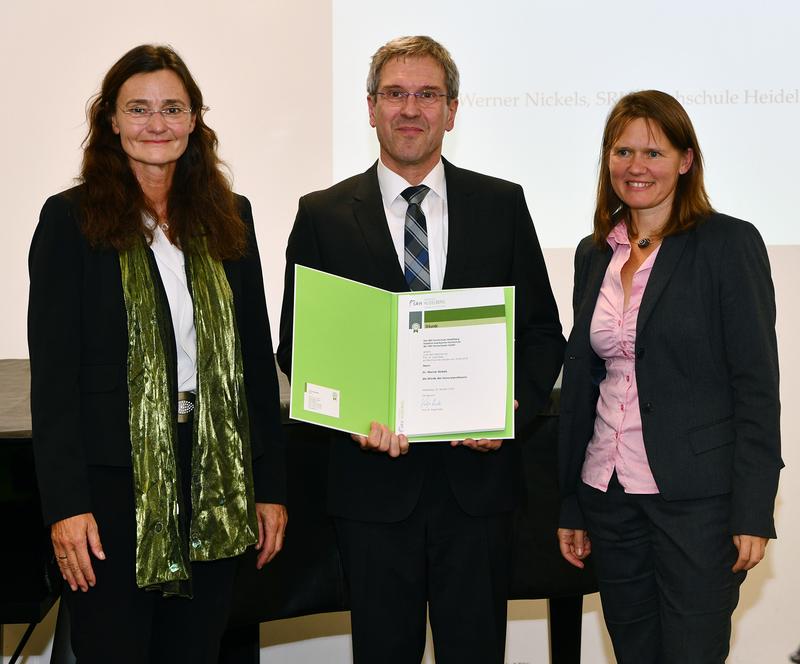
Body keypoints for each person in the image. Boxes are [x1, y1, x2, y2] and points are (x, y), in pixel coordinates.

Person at [277, 35, 564, 664]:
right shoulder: (322, 214)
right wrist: (352, 417)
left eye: (427, 94)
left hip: (478, 490)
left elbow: (543, 333)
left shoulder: (501, 204)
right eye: (395, 94)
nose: (411, 108)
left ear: (452, 110)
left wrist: (510, 411)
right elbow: (298, 345)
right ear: (371, 107)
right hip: (372, 489)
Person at [28, 44, 287, 663]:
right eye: (138, 109)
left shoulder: (231, 217)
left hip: (215, 478)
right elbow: (55, 381)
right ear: (111, 121)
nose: (156, 124)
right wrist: (67, 507)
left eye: (172, 108)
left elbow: (253, 361)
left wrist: (270, 484)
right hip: (112, 489)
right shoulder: (70, 220)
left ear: (195, 119)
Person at [557, 90, 783, 663]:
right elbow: (586, 383)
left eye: (654, 153)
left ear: (686, 160)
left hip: (697, 502)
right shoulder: (594, 254)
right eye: (623, 151)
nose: (637, 167)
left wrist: (753, 509)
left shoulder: (728, 244)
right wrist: (571, 504)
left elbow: (756, 387)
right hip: (608, 495)